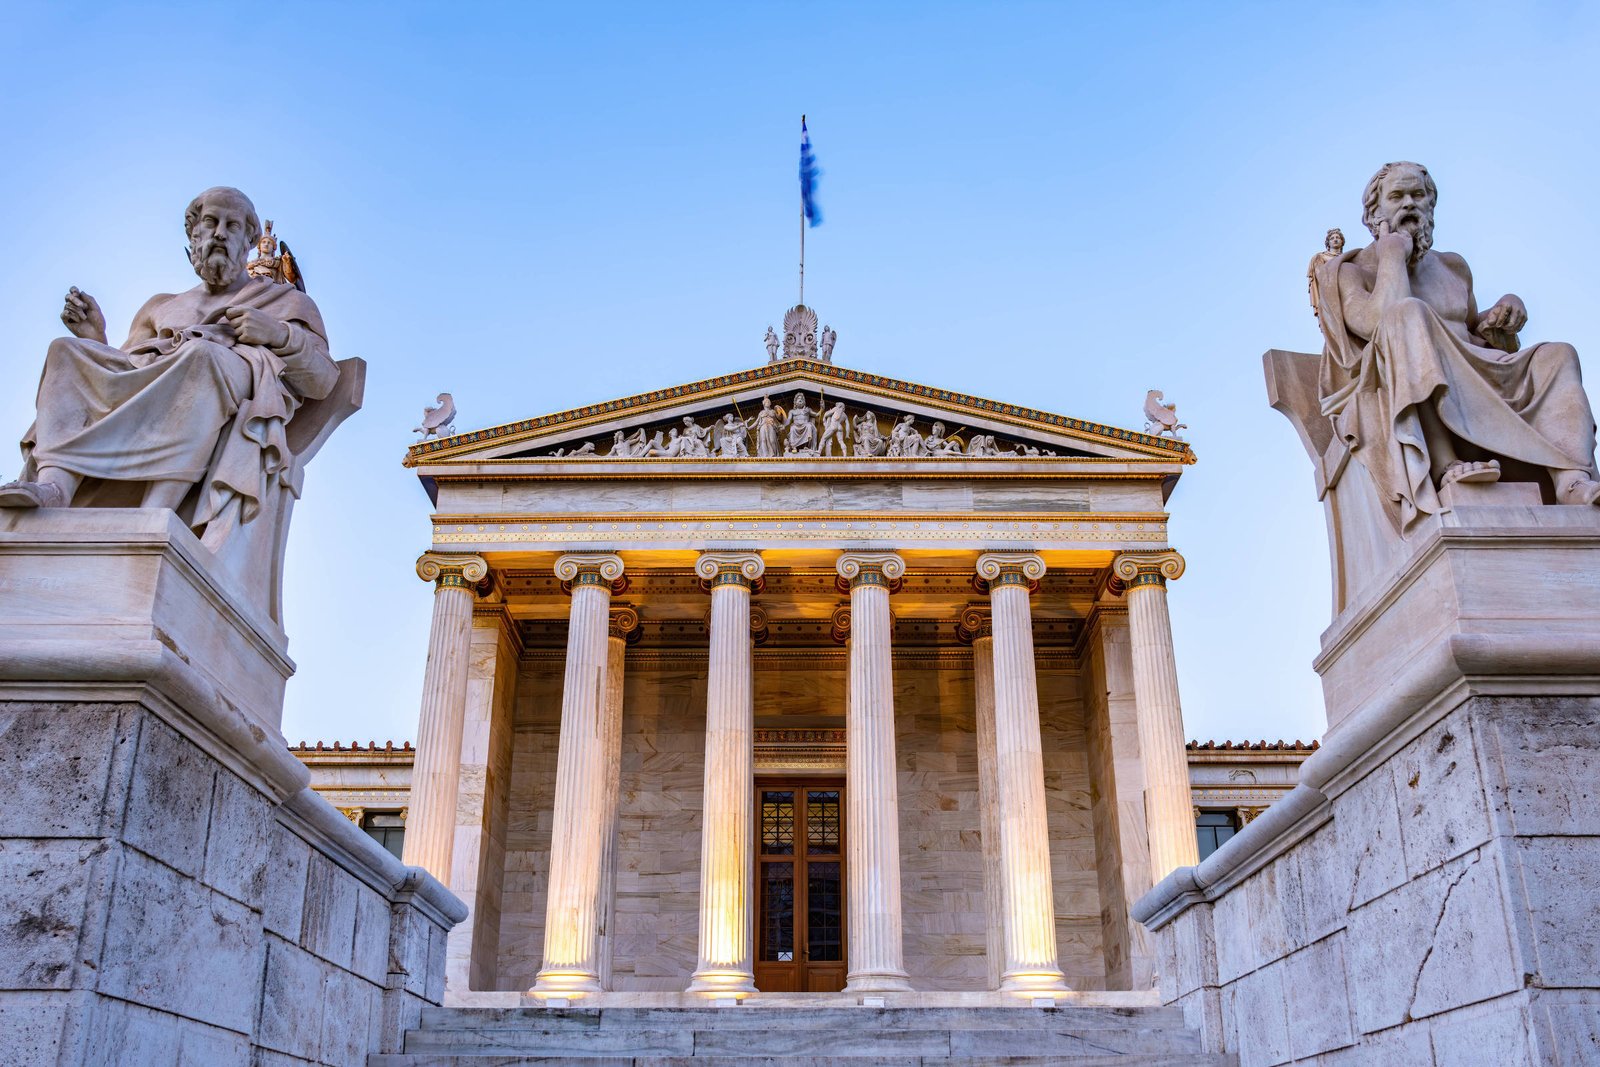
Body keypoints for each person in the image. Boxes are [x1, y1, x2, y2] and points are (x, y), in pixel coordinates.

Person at [2, 187, 338, 546]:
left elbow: (323, 380)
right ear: (194, 235)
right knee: (66, 350)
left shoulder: (283, 300)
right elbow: (124, 377)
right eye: (210, 223)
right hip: (164, 389)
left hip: (214, 381)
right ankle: (55, 485)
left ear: (249, 241)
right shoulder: (161, 305)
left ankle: (156, 510)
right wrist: (95, 338)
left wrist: (277, 334)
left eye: (232, 225)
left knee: (202, 356)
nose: (220, 233)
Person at [1315, 162, 1600, 528]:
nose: (1409, 206)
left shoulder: (1453, 266)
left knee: (1557, 355)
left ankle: (1571, 479)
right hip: (1401, 386)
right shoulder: (1351, 271)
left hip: (1471, 372)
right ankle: (1445, 462)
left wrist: (1504, 312)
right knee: (1407, 315)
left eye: (1418, 196)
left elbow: (1471, 334)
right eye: (1397, 197)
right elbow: (1379, 324)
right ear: (1374, 213)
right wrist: (1391, 257)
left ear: (1431, 206)